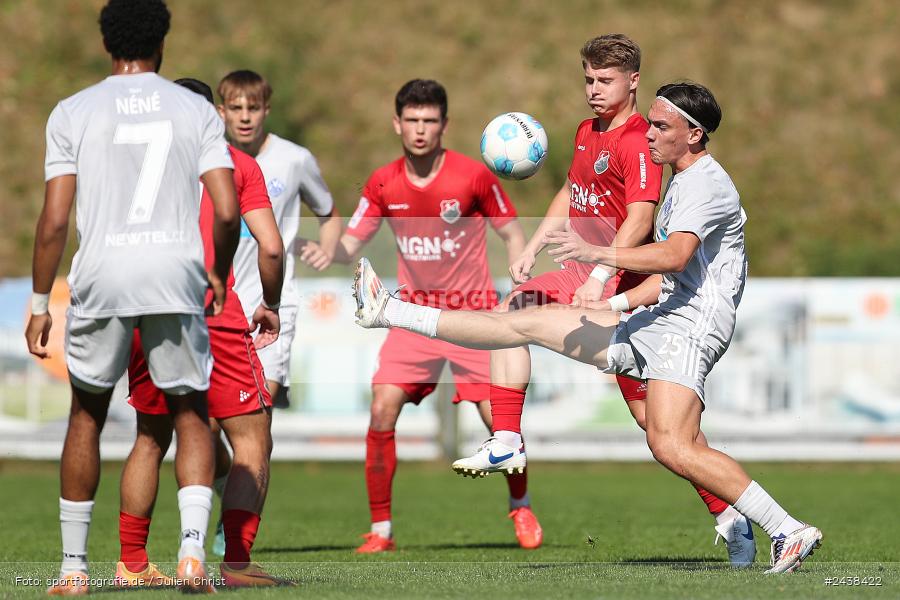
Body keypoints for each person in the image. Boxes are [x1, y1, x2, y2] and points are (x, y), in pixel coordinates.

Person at [353, 82, 824, 574]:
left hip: (689, 331)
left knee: (670, 443)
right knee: (527, 321)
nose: (650, 135)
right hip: (658, 321)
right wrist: (616, 299)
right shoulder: (681, 179)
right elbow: (669, 278)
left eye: (661, 127)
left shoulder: (705, 184)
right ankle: (392, 312)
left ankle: (787, 529)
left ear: (694, 134)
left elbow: (674, 256)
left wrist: (599, 257)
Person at [454, 34, 755, 567]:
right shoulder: (586, 131)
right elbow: (572, 192)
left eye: (605, 80)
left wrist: (599, 274)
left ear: (633, 81)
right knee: (514, 313)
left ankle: (732, 516)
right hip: (583, 270)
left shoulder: (642, 139)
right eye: (588, 79)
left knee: (660, 430)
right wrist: (535, 242)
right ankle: (506, 438)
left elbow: (640, 218)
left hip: (621, 285)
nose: (593, 90)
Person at [24, 1, 240, 594]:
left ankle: (73, 570)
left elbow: (53, 220)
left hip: (102, 272)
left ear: (105, 42)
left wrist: (41, 301)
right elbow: (225, 208)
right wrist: (217, 271)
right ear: (163, 42)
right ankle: (193, 553)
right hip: (174, 270)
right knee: (190, 411)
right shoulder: (194, 108)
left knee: (87, 414)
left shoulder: (73, 110)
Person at [329, 79, 534, 552]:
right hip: (412, 317)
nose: (420, 130)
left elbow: (511, 231)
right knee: (382, 408)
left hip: (474, 317)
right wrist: (319, 248)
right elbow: (350, 243)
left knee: (498, 420)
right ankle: (381, 530)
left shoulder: (473, 177)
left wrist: (520, 271)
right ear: (396, 123)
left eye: (430, 120)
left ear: (444, 124)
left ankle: (521, 507)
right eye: (412, 120)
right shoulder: (384, 182)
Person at [115, 78, 290, 590]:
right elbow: (272, 248)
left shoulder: (133, 168)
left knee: (150, 438)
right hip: (213, 312)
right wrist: (272, 304)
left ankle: (131, 562)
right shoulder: (237, 165)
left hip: (145, 309)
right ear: (210, 117)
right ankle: (234, 561)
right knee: (251, 440)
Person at [216, 69, 342, 410]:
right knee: (210, 425)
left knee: (259, 407)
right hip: (219, 301)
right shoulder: (210, 160)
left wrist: (326, 247)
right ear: (220, 112)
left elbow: (328, 213)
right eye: (236, 108)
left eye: (253, 108)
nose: (245, 117)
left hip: (274, 301)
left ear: (266, 110)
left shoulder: (294, 159)